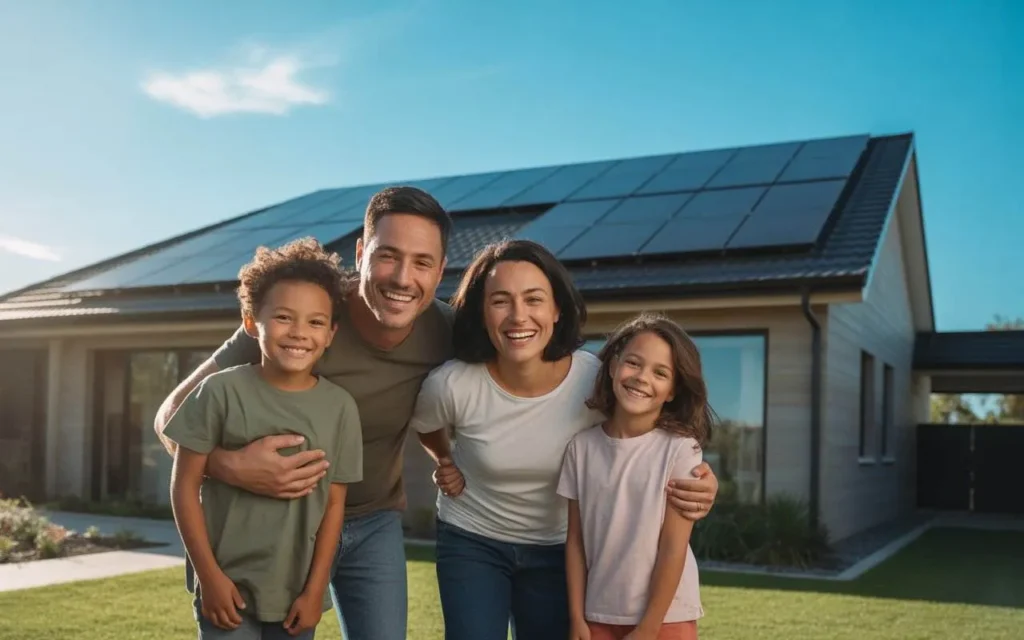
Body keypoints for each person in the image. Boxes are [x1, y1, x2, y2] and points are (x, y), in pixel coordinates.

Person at [154, 187, 720, 640]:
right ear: (361, 254)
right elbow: (169, 416)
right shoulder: (304, 317)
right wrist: (231, 467)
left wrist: (695, 473)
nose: (403, 278)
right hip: (288, 520)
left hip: (373, 519)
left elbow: (631, 410)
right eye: (389, 257)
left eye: (422, 262)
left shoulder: (453, 333)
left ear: (441, 269)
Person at [408, 240, 720, 640]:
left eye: (533, 299)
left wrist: (701, 481)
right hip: (473, 539)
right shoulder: (452, 384)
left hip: (560, 549)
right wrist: (444, 460)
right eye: (500, 301)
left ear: (556, 309)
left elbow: (649, 429)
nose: (518, 316)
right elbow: (426, 425)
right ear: (482, 313)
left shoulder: (593, 381)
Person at [163, 238, 364, 639]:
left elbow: (334, 508)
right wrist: (209, 577)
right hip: (226, 588)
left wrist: (315, 590)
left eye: (315, 322)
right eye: (285, 317)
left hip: (294, 597)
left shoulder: (341, 408)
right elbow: (183, 487)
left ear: (330, 333)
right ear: (253, 321)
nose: (299, 333)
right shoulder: (217, 392)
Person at [559, 313, 713, 640]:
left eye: (660, 373)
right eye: (634, 363)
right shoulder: (580, 449)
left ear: (672, 391)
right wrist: (576, 617)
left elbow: (674, 547)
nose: (642, 377)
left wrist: (648, 627)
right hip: (597, 614)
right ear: (613, 366)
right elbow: (575, 543)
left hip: (666, 618)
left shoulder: (681, 451)